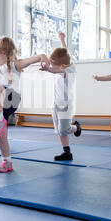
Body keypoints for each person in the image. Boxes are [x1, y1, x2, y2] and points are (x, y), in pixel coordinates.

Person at [0, 34, 50, 173]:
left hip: (12, 97)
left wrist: (42, 56)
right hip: (1, 103)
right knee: (0, 136)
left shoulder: (15, 64)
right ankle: (6, 161)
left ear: (5, 53)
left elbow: (32, 59)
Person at [39, 32, 81, 161]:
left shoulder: (69, 70)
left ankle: (76, 127)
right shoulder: (64, 63)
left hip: (66, 104)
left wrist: (48, 69)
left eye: (52, 63)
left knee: (65, 129)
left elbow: (58, 70)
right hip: (55, 103)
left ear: (62, 65)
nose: (51, 65)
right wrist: (62, 39)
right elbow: (65, 53)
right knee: (59, 130)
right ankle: (67, 152)